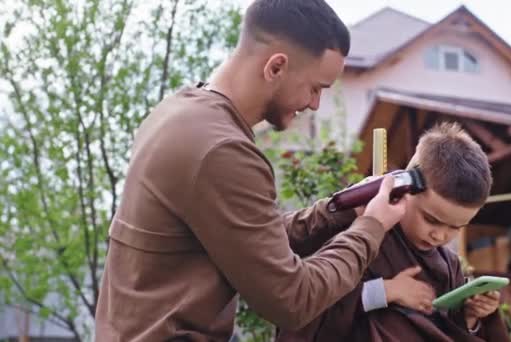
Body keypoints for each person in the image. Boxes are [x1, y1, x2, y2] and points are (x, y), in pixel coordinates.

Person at [94, 0, 409, 340]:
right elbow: (293, 299)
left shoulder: (180, 113)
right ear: (276, 67)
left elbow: (250, 235)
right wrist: (371, 227)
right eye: (316, 87)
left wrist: (337, 210)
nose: (315, 104)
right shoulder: (221, 150)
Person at [276, 122, 510, 342]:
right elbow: (308, 308)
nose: (440, 236)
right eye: (431, 220)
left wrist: (471, 316)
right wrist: (384, 292)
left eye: (455, 227)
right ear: (402, 188)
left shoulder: (449, 264)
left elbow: (447, 330)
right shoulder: (361, 236)